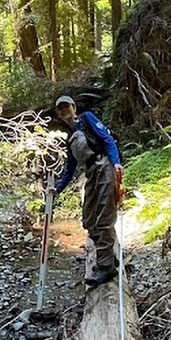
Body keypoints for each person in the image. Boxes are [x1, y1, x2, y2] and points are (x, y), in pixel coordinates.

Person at [52, 95, 122, 286]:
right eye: (61, 108)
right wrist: (57, 189)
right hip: (91, 172)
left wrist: (116, 163)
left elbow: (107, 139)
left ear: (74, 107)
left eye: (67, 106)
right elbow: (70, 168)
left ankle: (106, 267)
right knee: (89, 219)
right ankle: (108, 254)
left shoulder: (87, 118)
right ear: (58, 113)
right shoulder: (71, 138)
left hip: (104, 165)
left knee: (104, 217)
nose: (65, 110)